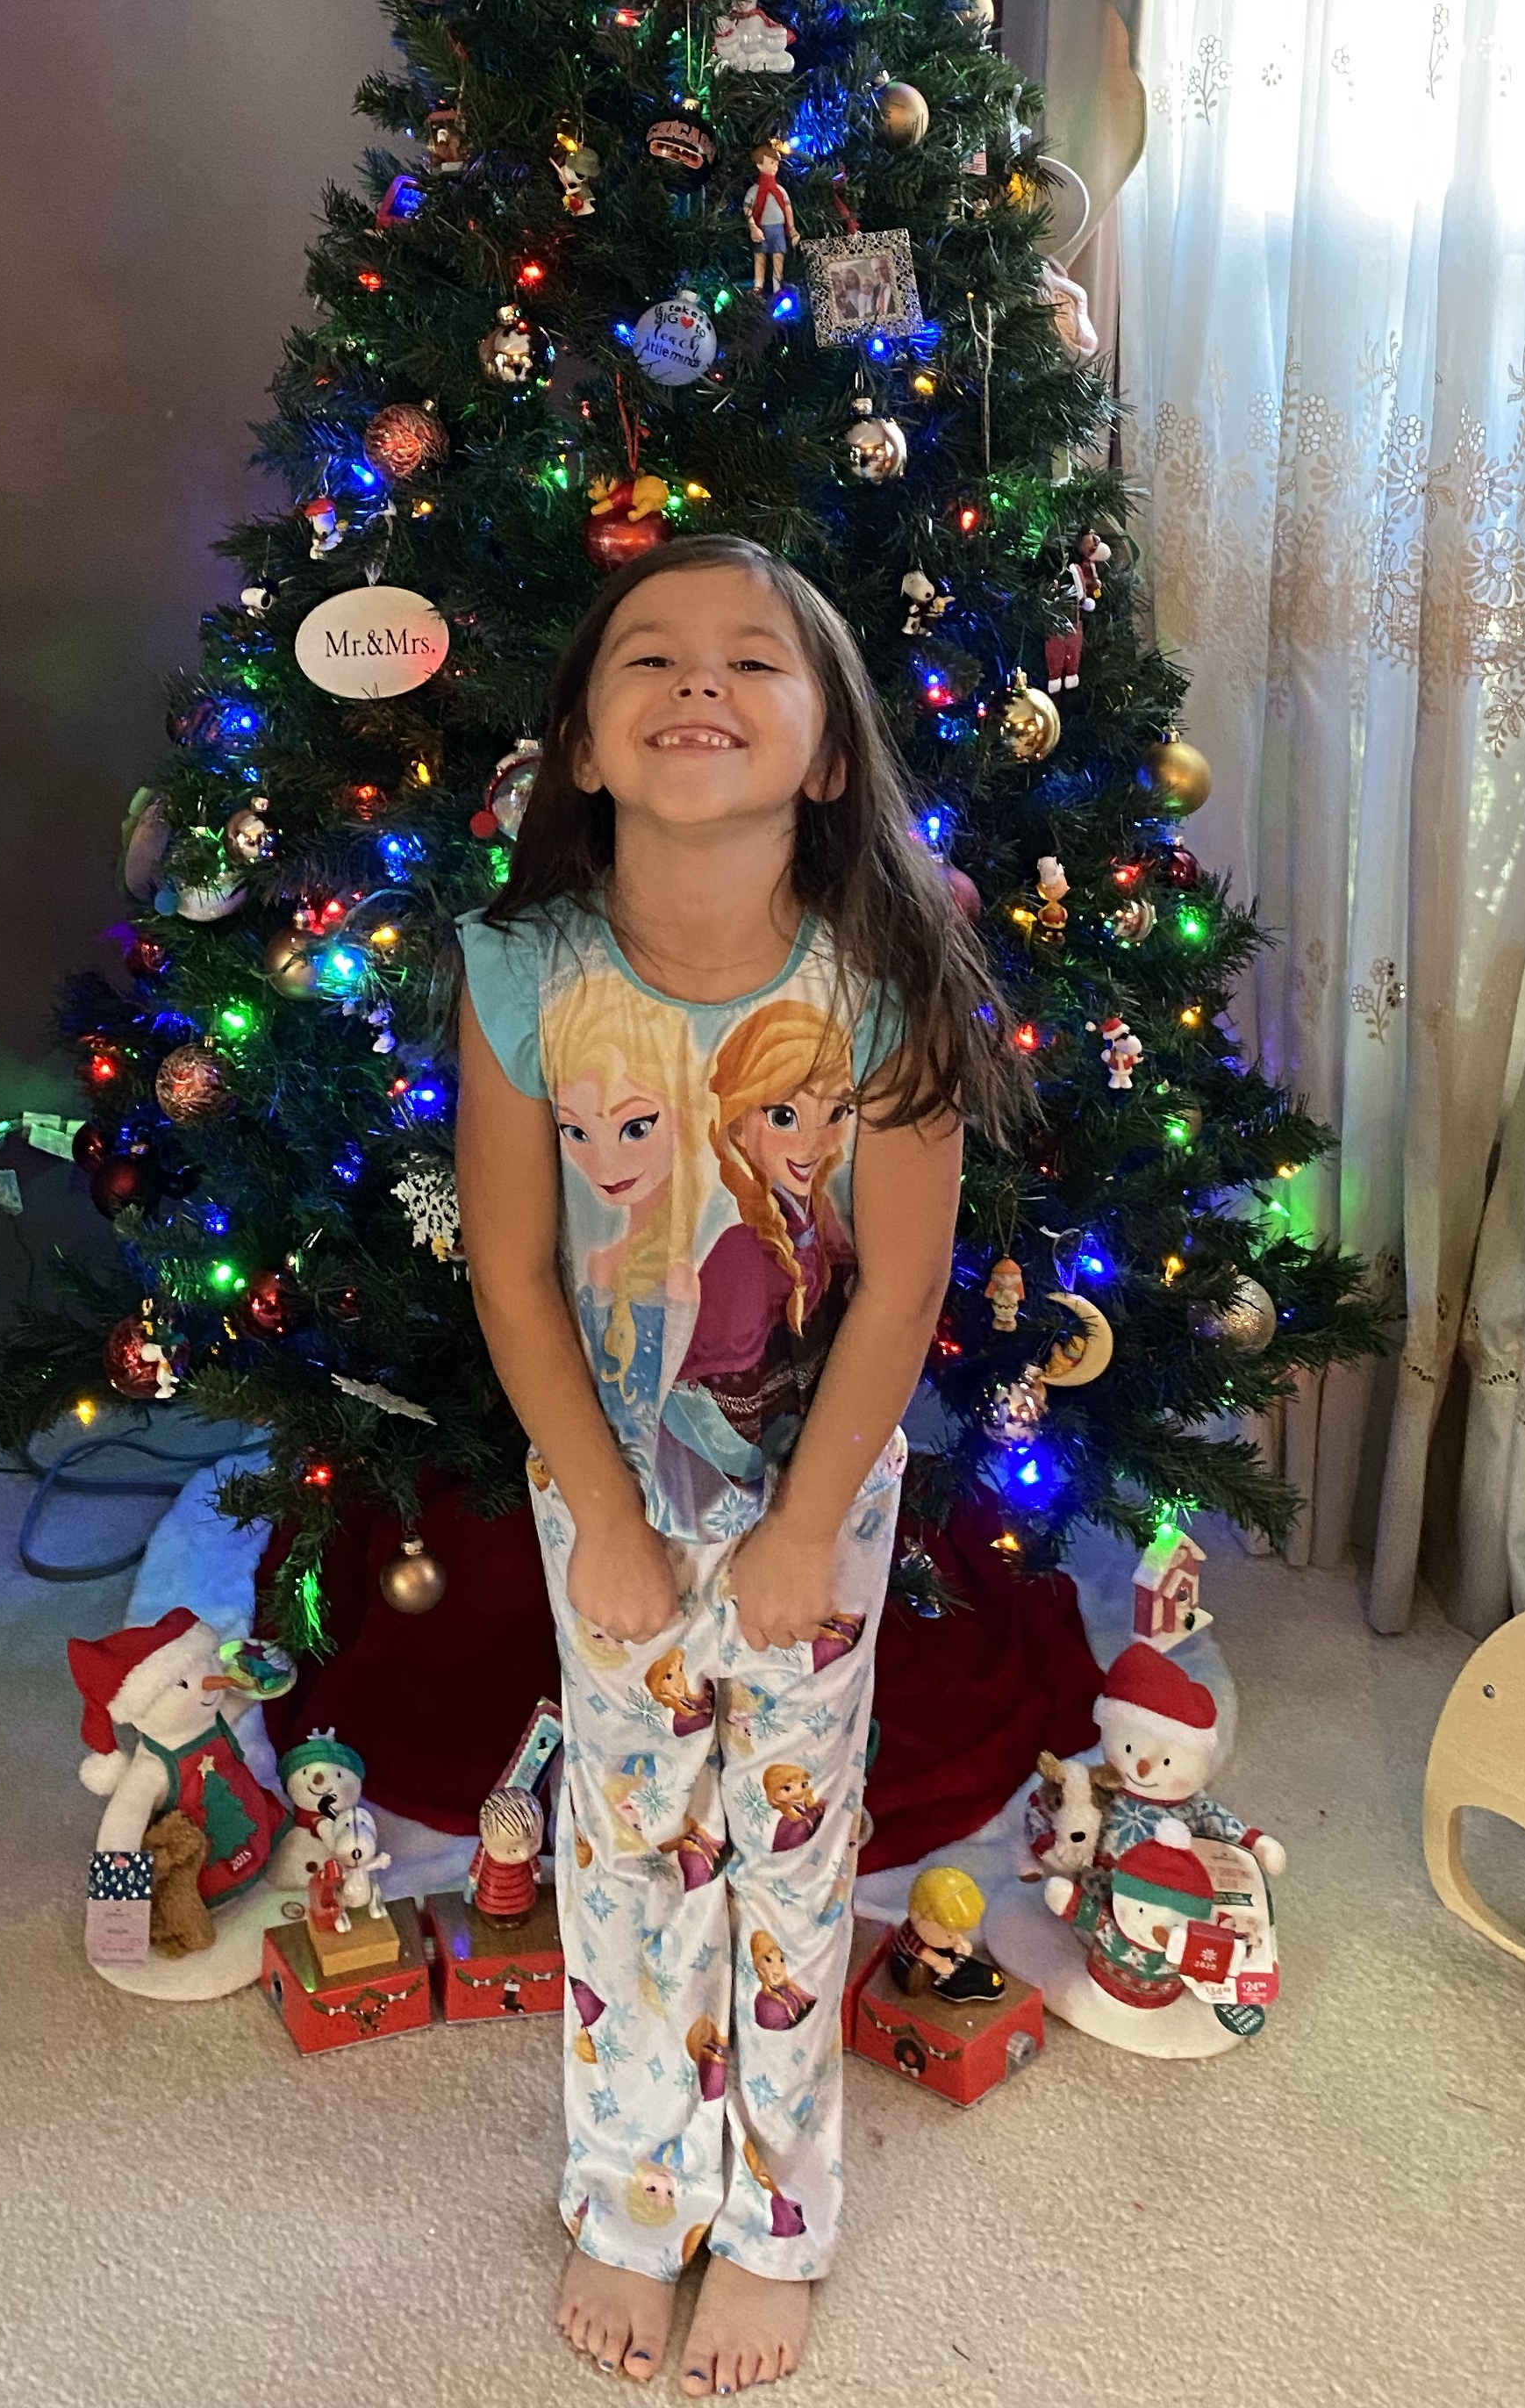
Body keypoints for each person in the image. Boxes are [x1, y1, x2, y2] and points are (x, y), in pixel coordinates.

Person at [457, 534, 1022, 2392]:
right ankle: (636, 2198)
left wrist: (801, 1533)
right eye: (650, 656)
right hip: (604, 1492)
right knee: (629, 1846)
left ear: (830, 752)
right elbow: (513, 1269)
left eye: (754, 660)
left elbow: (903, 1284)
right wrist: (606, 1520)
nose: (699, 680)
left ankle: (780, 2218)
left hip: (814, 1501)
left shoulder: (887, 981)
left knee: (786, 1849)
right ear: (583, 746)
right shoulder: (523, 971)